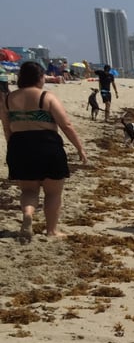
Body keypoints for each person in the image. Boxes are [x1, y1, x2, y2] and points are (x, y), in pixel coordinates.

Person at [1, 61, 88, 242]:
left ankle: (28, 215)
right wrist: (79, 148)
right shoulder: (46, 97)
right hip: (47, 145)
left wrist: (12, 149)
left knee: (29, 190)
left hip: (20, 146)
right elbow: (66, 125)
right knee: (53, 192)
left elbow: (7, 128)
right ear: (40, 78)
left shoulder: (8, 100)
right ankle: (51, 231)